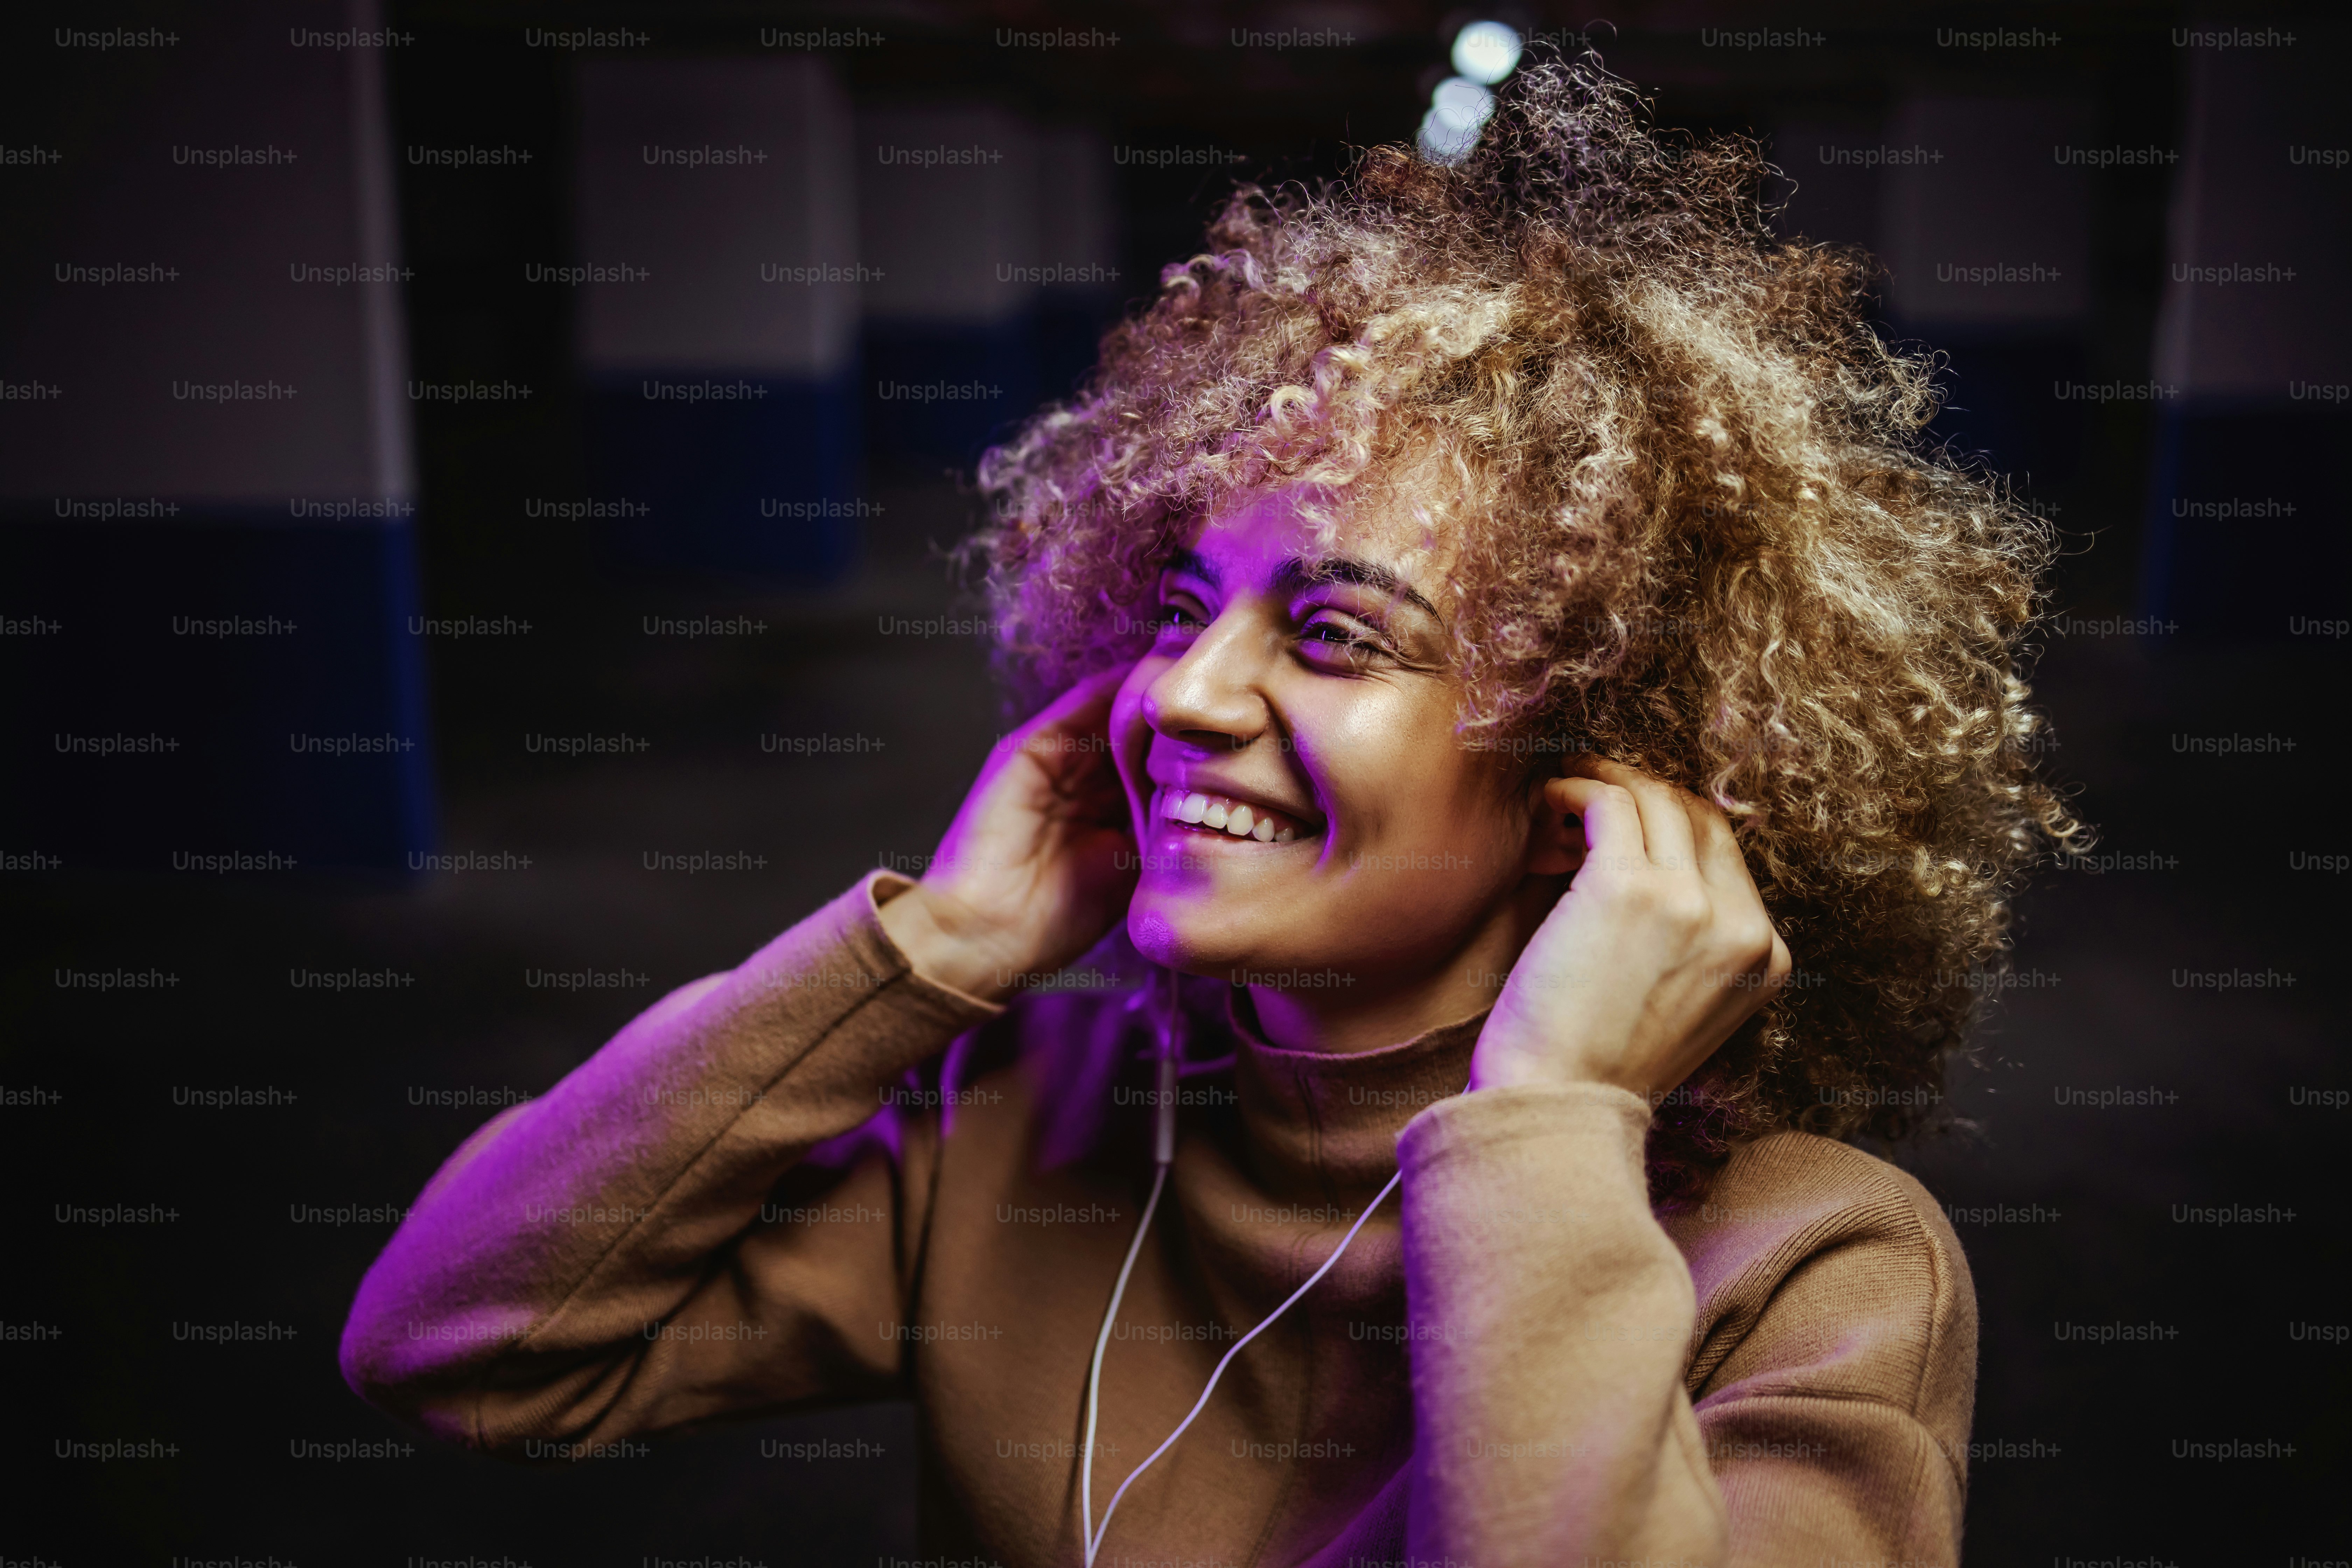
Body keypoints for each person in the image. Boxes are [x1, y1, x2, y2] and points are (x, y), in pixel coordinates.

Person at [342, 54, 2079, 1567]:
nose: (1178, 695)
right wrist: (926, 954)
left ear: (1591, 798)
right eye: (1185, 606)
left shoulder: (1811, 1266)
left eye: (1333, 632)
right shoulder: (1031, 1129)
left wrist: (1546, 1123)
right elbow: (457, 1343)